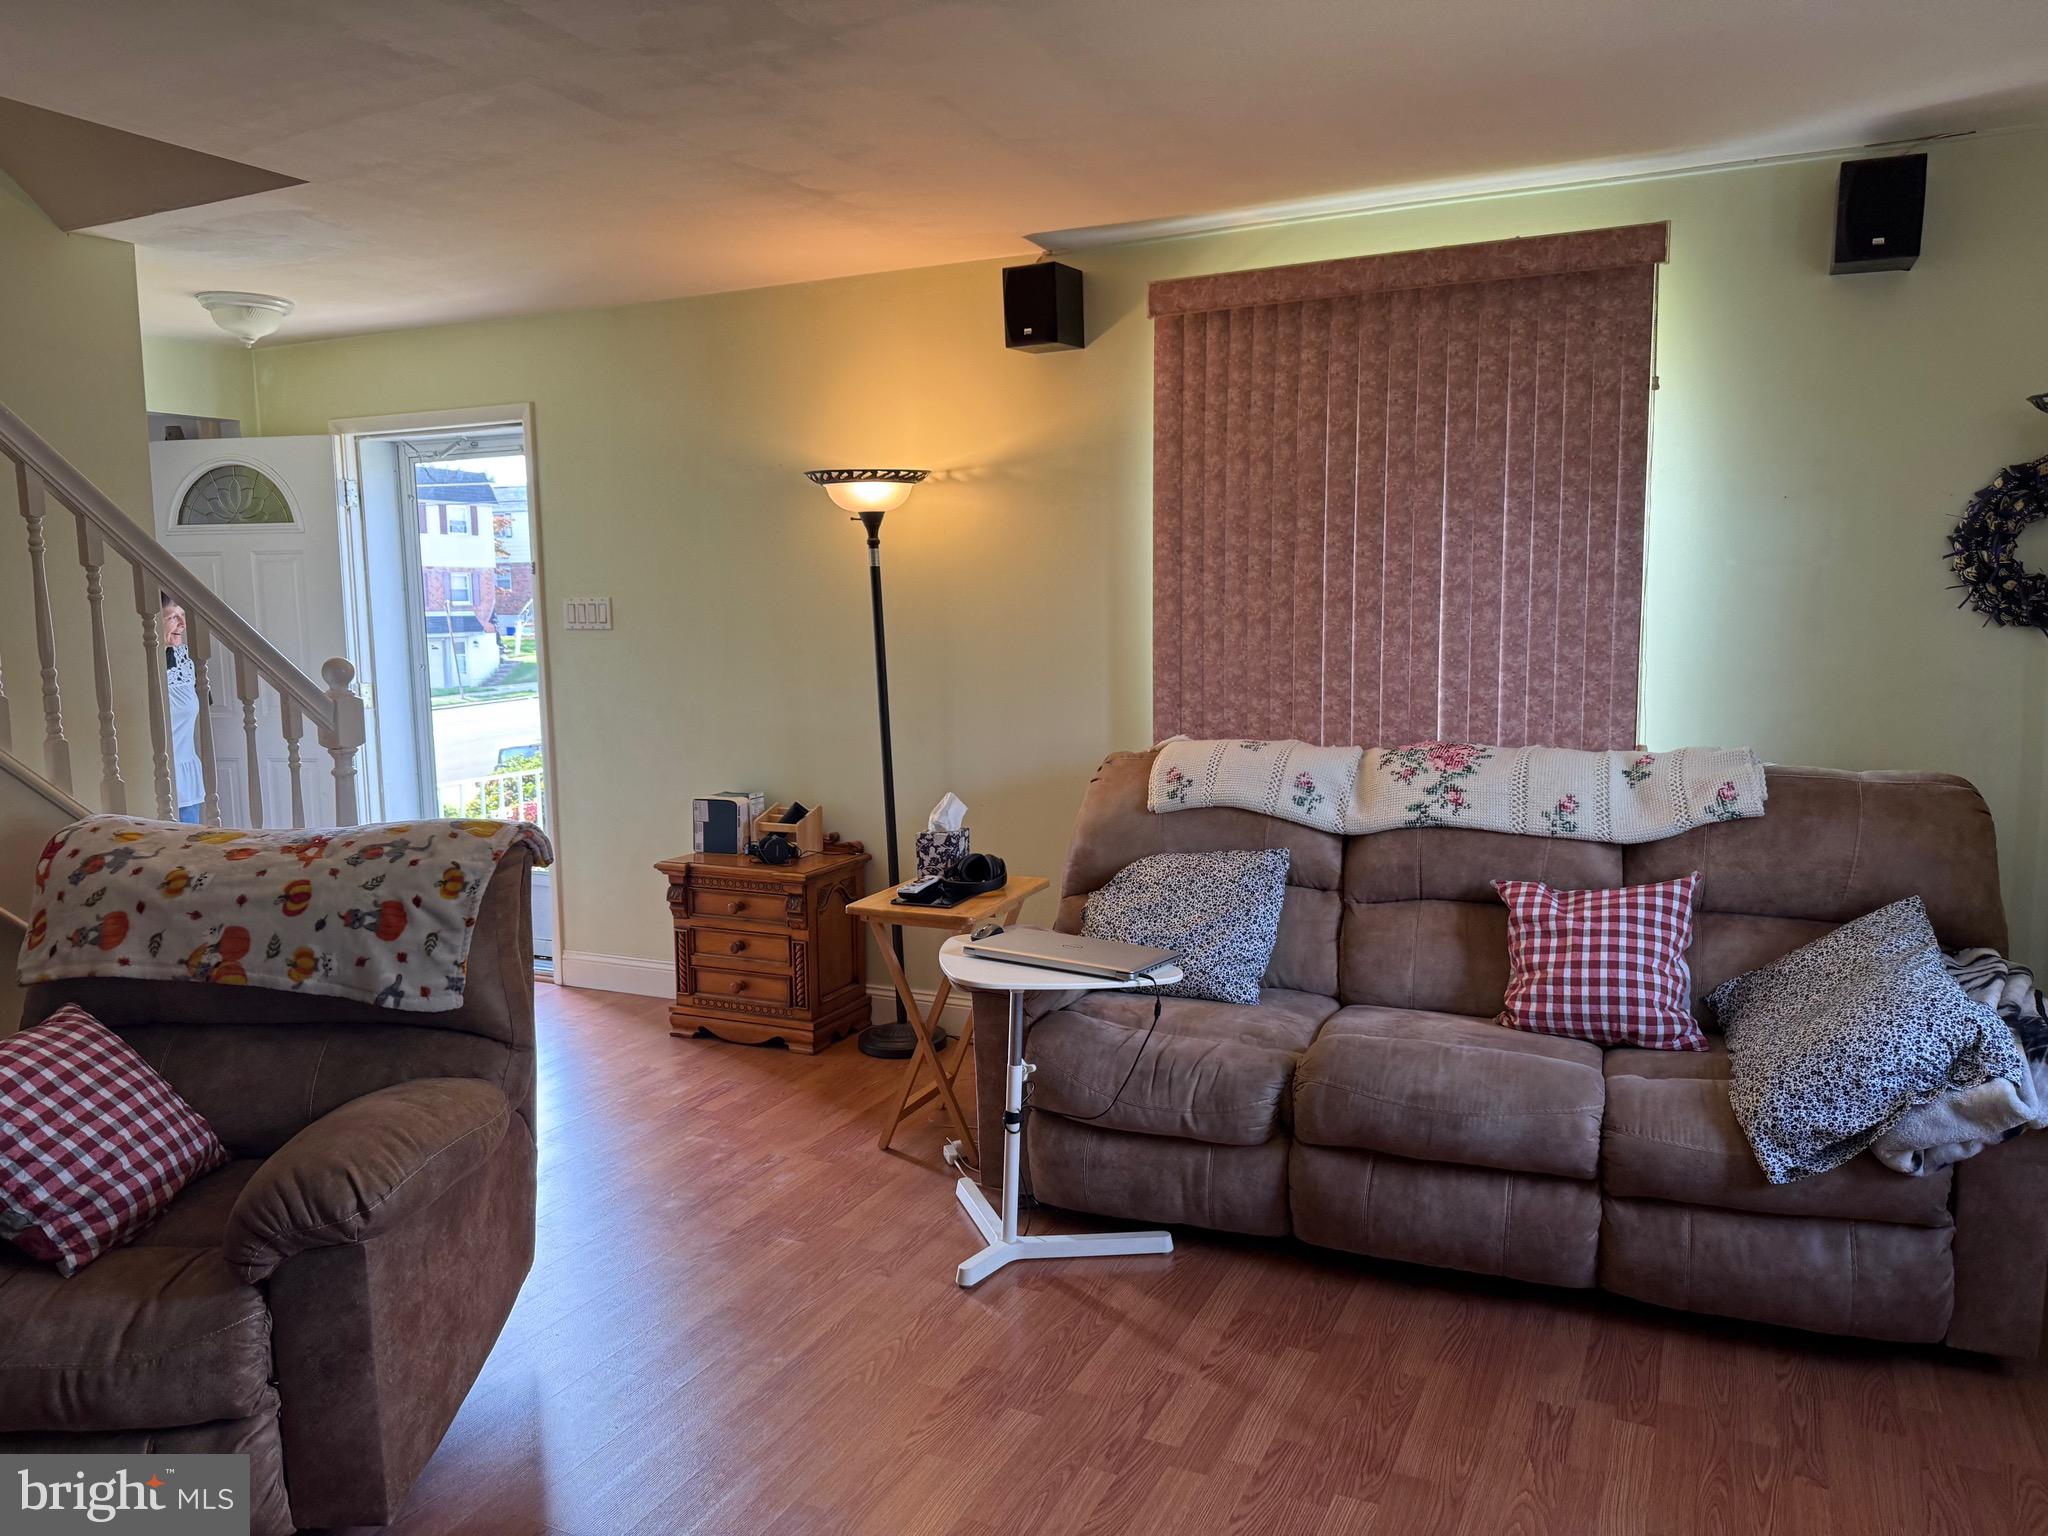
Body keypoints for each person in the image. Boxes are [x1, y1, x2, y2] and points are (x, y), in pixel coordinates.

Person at [162, 596, 206, 823]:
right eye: (172, 617)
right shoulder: (133, 662)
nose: (182, 624)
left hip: (186, 779)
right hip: (152, 779)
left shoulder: (185, 659)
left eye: (182, 616)